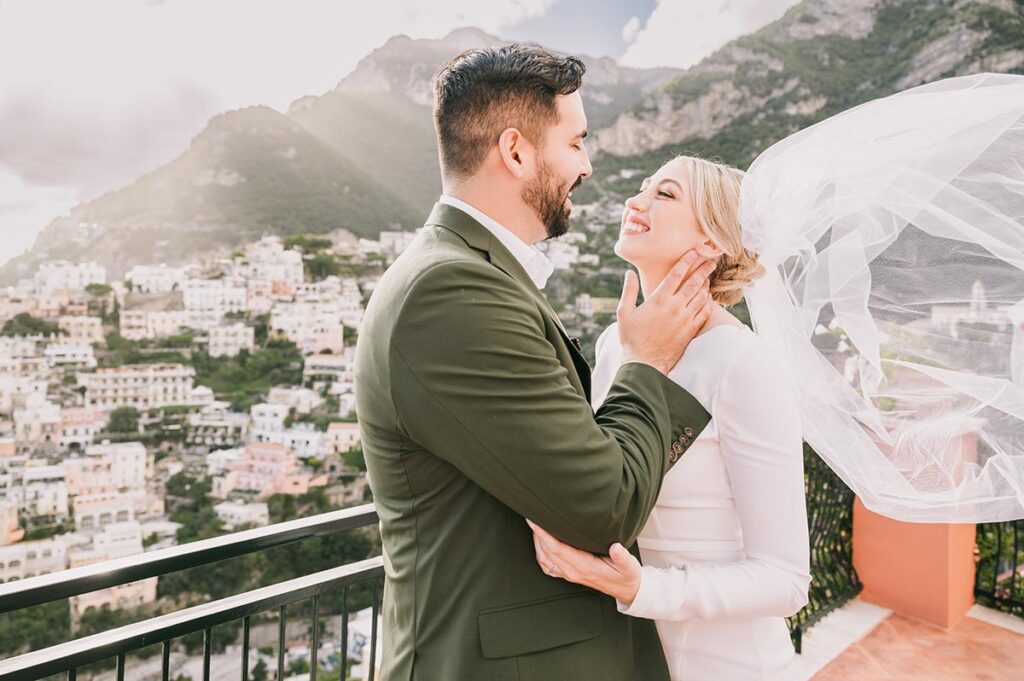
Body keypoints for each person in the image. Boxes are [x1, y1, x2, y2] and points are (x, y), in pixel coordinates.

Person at [354, 44, 715, 680]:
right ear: (517, 152)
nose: (589, 165)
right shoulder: (451, 294)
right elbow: (605, 504)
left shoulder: (469, 276)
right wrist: (647, 362)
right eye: (575, 143)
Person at [528, 155, 811, 681]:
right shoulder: (618, 343)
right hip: (627, 655)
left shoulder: (742, 363)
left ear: (711, 243)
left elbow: (787, 581)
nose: (635, 202)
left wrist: (642, 590)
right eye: (642, 188)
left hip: (727, 664)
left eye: (666, 194)